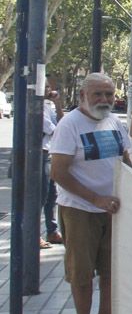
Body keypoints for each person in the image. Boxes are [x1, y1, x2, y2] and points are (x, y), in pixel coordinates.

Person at [48, 73, 132, 314]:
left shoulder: (114, 122)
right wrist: (94, 198)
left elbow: (126, 161)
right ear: (84, 95)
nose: (104, 100)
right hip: (80, 209)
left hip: (113, 209)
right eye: (98, 94)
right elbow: (58, 172)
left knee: (111, 268)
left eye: (108, 94)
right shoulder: (69, 124)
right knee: (81, 271)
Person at [41, 88, 65, 247]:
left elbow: (61, 122)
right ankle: (34, 232)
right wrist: (65, 131)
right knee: (40, 195)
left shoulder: (47, 106)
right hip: (40, 154)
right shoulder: (37, 107)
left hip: (50, 153)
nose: (50, 90)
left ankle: (52, 230)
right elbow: (53, 129)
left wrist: (57, 103)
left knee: (52, 195)